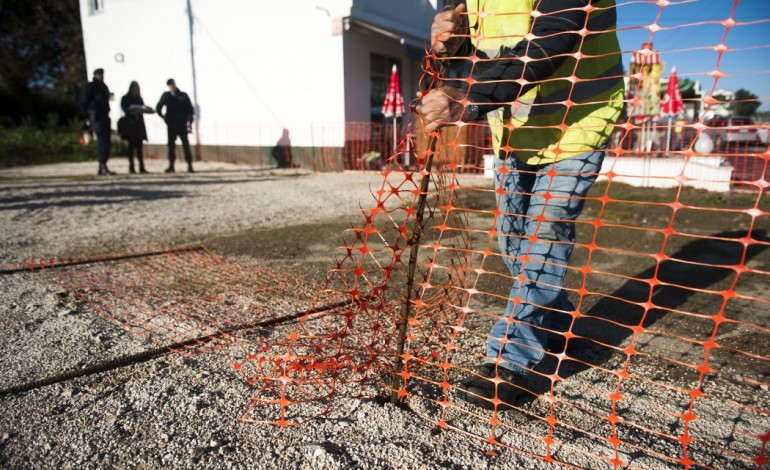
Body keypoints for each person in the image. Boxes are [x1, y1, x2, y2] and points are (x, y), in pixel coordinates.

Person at [416, 1, 624, 410]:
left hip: (580, 122)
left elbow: (553, 39)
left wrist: (467, 99)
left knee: (544, 236)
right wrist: (454, 39)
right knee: (513, 242)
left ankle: (510, 361)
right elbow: (485, 50)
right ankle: (558, 328)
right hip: (514, 128)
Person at [79, 68, 114, 175]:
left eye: (102, 74)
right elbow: (83, 102)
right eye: (99, 74)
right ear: (95, 75)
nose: (101, 76)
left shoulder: (103, 86)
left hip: (104, 116)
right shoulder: (90, 87)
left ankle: (103, 165)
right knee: (102, 141)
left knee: (107, 141)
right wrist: (87, 117)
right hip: (96, 116)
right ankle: (102, 165)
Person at [156, 78, 195, 173]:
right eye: (170, 84)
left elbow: (190, 109)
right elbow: (158, 107)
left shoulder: (183, 95)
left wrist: (189, 121)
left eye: (172, 84)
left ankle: (189, 165)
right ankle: (171, 165)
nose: (172, 86)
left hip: (182, 123)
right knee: (171, 145)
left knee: (185, 144)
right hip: (171, 124)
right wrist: (163, 116)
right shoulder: (166, 96)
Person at [120, 81, 153, 174]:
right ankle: (131, 168)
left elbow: (143, 108)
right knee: (131, 148)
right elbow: (125, 109)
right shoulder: (126, 98)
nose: (136, 91)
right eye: (134, 89)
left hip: (138, 125)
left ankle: (141, 167)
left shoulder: (139, 98)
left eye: (137, 89)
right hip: (130, 125)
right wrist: (132, 111)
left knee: (139, 147)